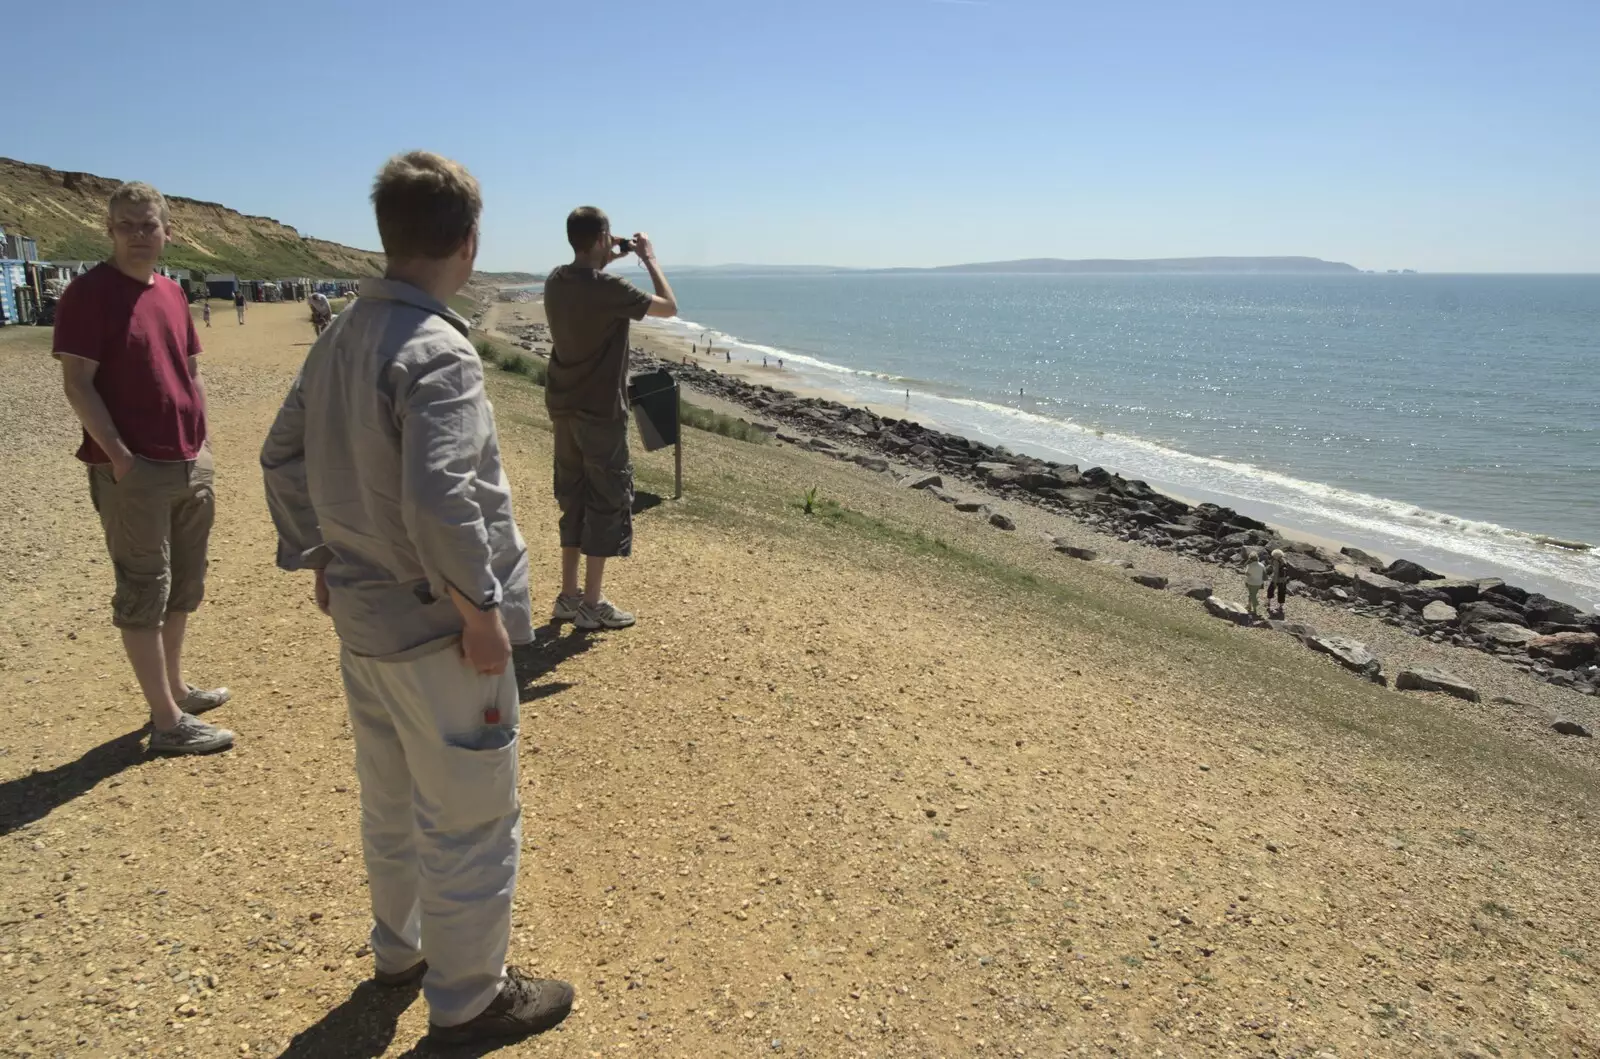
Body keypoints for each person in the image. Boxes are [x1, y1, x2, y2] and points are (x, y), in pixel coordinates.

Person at [261, 151, 573, 1045]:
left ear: (388, 235)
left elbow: (280, 456)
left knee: (391, 798)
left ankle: (400, 949)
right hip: (438, 630)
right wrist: (481, 611)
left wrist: (317, 549)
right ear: (469, 243)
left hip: (365, 623)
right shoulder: (438, 350)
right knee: (472, 818)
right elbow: (442, 499)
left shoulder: (341, 335)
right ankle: (469, 996)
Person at [53, 182, 235, 755]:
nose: (138, 235)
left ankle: (176, 689)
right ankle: (166, 722)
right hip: (133, 470)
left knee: (184, 584)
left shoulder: (173, 293)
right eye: (126, 225)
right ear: (109, 231)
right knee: (142, 589)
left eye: (148, 225)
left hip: (188, 461)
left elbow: (189, 367)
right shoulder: (88, 294)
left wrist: (202, 439)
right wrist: (119, 455)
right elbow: (77, 382)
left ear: (166, 232)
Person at [541, 206, 678, 631]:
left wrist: (611, 251)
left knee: (573, 498)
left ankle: (568, 595)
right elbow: (669, 307)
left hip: (563, 407)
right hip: (600, 411)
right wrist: (649, 257)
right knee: (606, 501)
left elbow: (588, 270)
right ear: (601, 238)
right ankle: (592, 603)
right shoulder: (609, 289)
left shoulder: (554, 282)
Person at [1244, 548, 1267, 617]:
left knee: (1252, 595)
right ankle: (1249, 605)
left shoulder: (1249, 566)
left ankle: (1255, 609)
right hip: (1259, 583)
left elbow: (1246, 574)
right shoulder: (1262, 565)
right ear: (1257, 557)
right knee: (1252, 594)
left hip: (1251, 582)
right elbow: (1264, 574)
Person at [1268, 548, 1289, 615]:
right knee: (1281, 592)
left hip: (1277, 579)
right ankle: (1281, 606)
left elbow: (1276, 572)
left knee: (1270, 590)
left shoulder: (1276, 561)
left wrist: (1274, 582)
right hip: (1283, 579)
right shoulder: (1283, 560)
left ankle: (1268, 602)